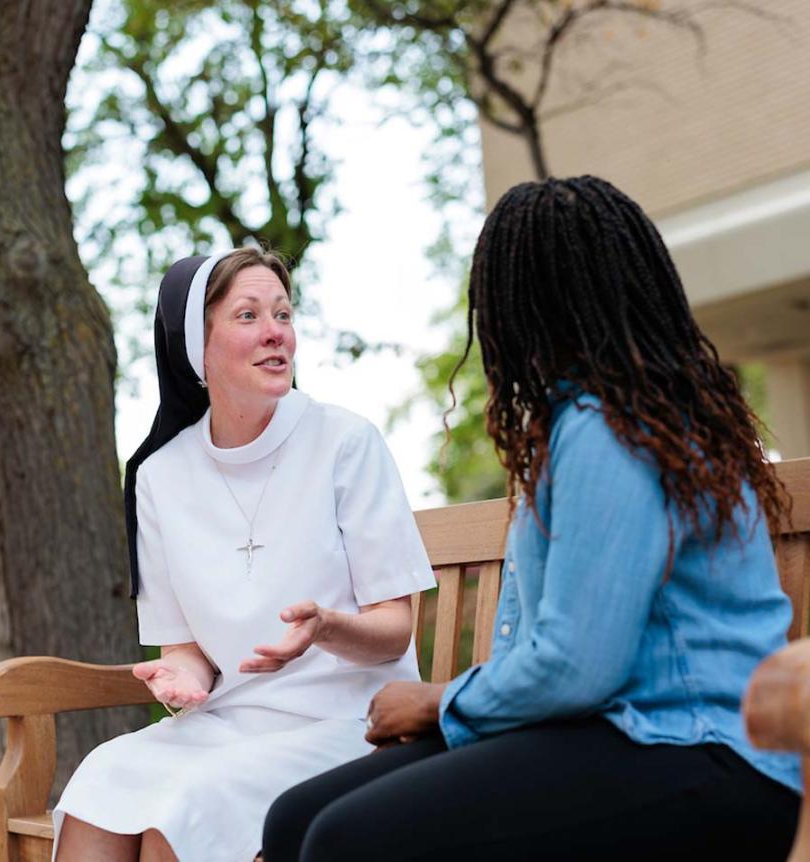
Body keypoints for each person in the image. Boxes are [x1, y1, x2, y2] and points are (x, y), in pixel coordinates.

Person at [262, 176, 803, 861]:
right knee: (295, 818)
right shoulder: (603, 422)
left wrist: (442, 705)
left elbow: (581, 665)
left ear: (529, 304)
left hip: (702, 753)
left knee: (347, 841)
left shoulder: (610, 429)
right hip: (613, 734)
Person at [52, 248, 436, 862]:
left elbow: (394, 632)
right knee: (101, 780)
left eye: (283, 314)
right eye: (248, 315)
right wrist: (182, 681)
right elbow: (185, 650)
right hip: (229, 724)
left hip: (352, 724)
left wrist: (326, 629)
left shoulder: (346, 441)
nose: (274, 332)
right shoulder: (158, 475)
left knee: (181, 812)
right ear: (195, 348)